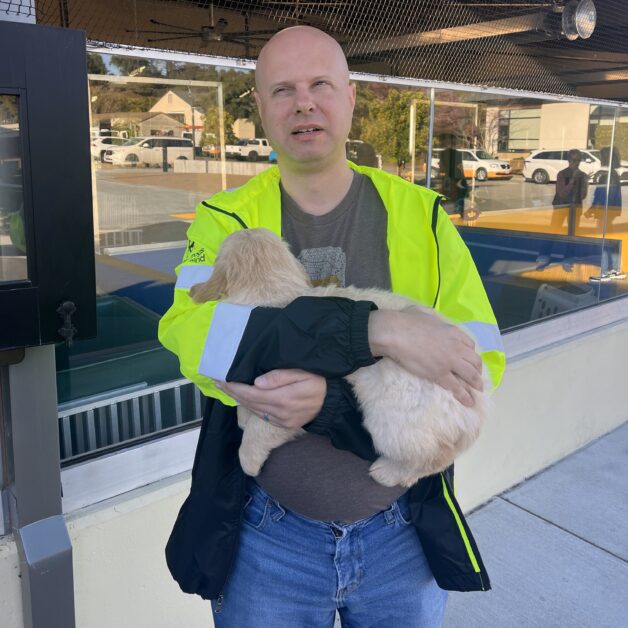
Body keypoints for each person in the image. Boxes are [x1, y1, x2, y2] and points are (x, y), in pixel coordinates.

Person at [159, 26, 505, 627]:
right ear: (262, 108)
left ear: (350, 96)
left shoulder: (421, 215)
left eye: (320, 84)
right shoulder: (224, 220)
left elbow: (480, 366)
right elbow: (195, 339)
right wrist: (380, 333)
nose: (304, 103)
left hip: (403, 533)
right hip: (268, 539)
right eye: (283, 90)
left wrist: (331, 402)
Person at [536, 148, 588, 271]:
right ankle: (544, 255)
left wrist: (585, 183)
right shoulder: (562, 174)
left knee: (572, 234)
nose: (576, 163)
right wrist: (572, 181)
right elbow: (561, 193)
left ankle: (568, 258)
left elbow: (583, 195)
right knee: (553, 230)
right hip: (561, 206)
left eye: (578, 160)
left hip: (575, 207)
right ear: (568, 160)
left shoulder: (582, 175)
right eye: (574, 160)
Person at [585, 146, 625, 281]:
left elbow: (601, 196)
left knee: (602, 241)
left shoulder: (606, 177)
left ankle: (605, 271)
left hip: (604, 213)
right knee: (611, 241)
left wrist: (591, 210)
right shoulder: (614, 175)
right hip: (611, 212)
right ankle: (615, 269)